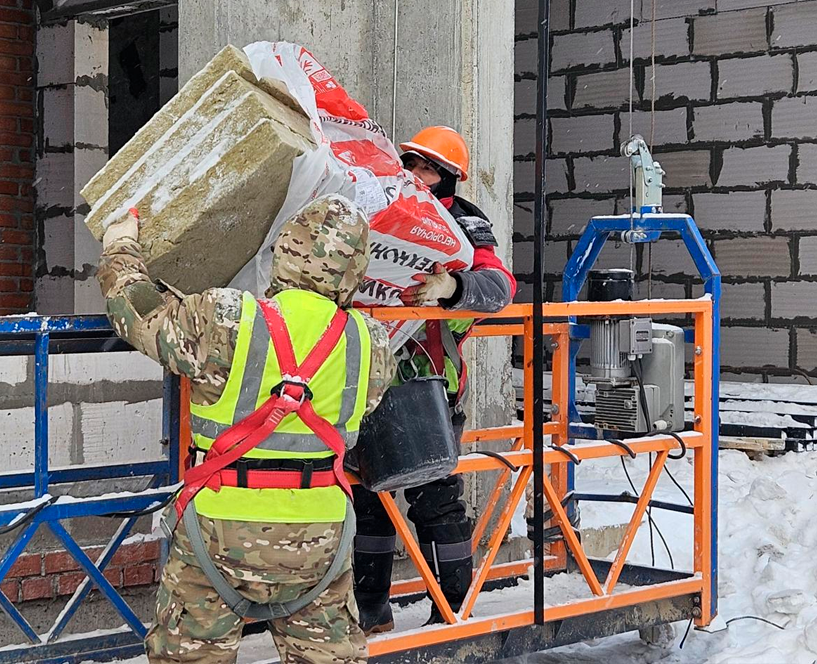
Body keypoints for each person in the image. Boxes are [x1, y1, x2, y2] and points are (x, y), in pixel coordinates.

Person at [97, 195, 396, 664]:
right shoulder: (370, 340)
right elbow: (368, 404)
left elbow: (137, 313)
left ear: (284, 251)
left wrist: (120, 248)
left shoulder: (226, 317)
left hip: (219, 531)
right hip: (322, 539)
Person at [352, 126, 517, 633]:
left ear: (449, 179)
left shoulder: (463, 222)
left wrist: (453, 286)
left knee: (436, 499)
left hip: (427, 383)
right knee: (368, 498)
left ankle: (451, 612)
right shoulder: (376, 206)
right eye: (412, 165)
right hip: (366, 377)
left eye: (430, 169)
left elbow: (499, 286)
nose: (418, 176)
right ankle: (371, 611)